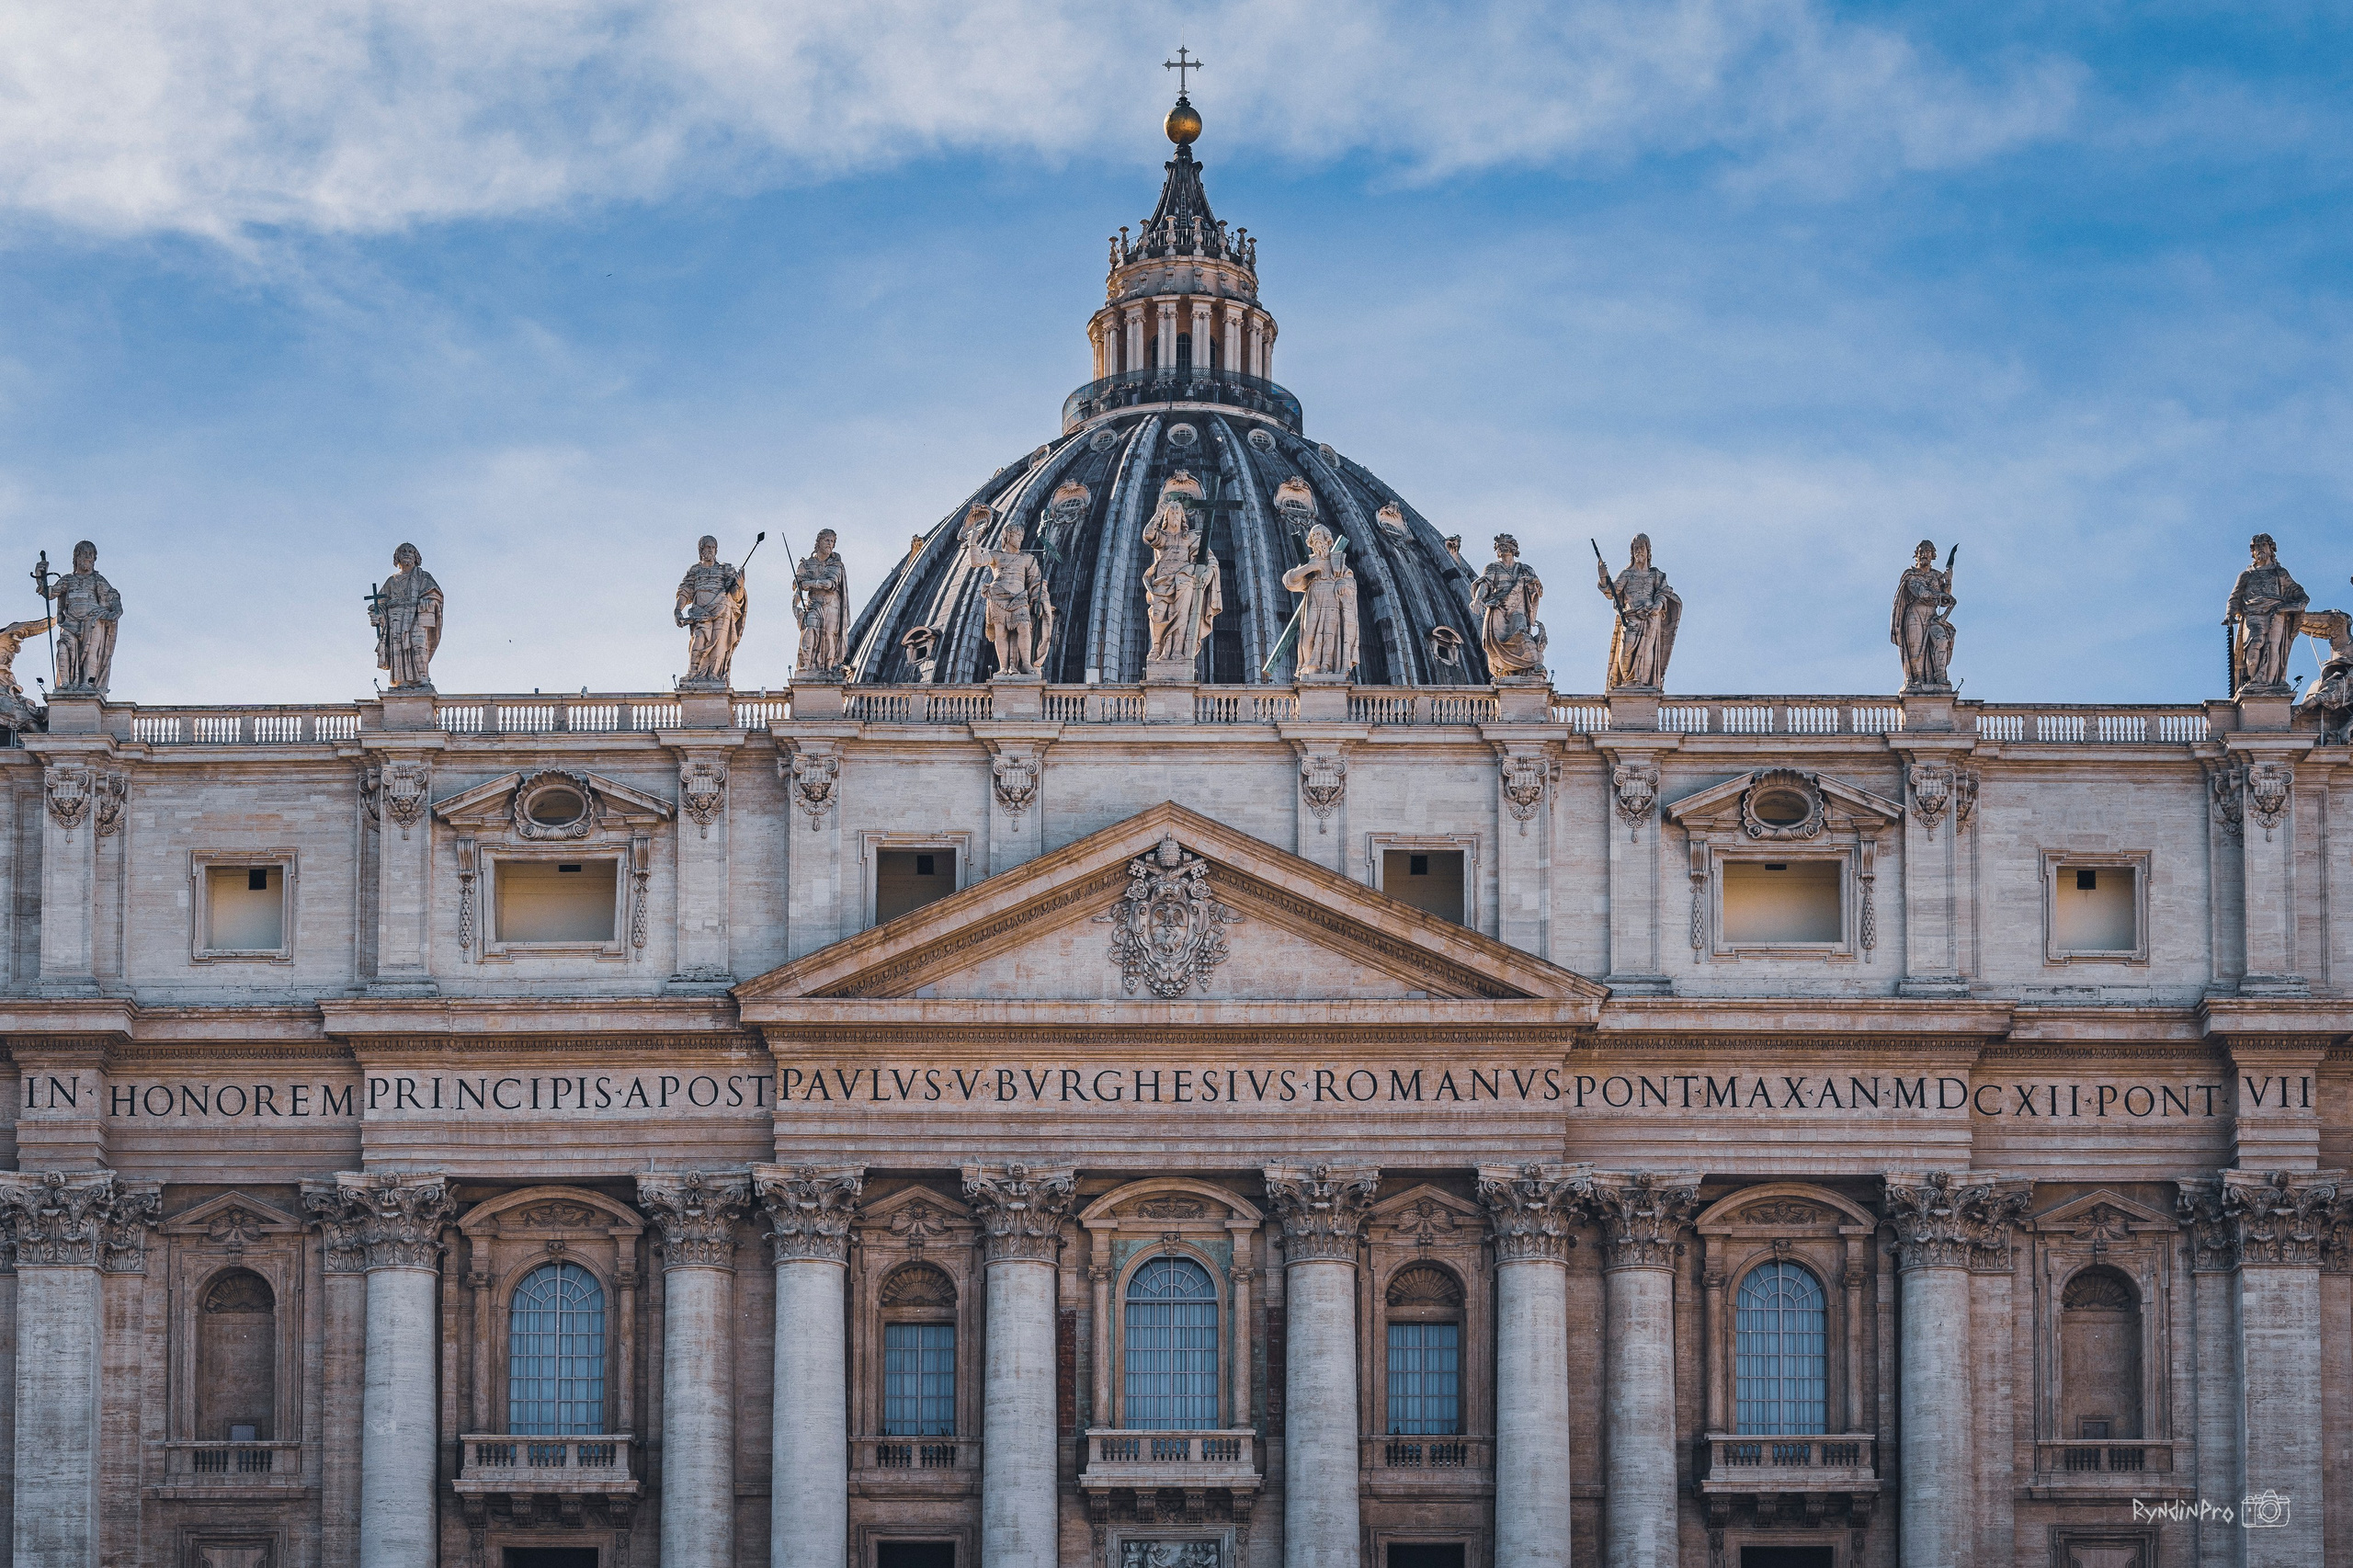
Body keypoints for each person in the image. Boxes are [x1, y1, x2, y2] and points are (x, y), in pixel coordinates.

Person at [1142, 494, 1222, 664]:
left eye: (1178, 513)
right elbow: (1149, 535)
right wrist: (1158, 513)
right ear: (1166, 517)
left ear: (1183, 518)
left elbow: (1210, 560)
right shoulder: (1162, 538)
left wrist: (1207, 574)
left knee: (1182, 618)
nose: (1175, 516)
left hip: (1185, 582)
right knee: (1157, 615)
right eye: (1172, 513)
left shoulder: (1191, 538)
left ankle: (1177, 651)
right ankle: (1157, 647)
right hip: (1161, 582)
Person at [2226, 533, 2307, 694]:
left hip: (2277, 614)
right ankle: (2253, 680)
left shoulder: (2280, 574)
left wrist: (2293, 606)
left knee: (2273, 648)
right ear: (2253, 551)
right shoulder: (2247, 575)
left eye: (2263, 545)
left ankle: (2269, 683)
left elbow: (2301, 595)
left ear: (2271, 549)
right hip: (2253, 613)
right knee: (2254, 644)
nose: (2260, 549)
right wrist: (2230, 613)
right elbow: (2234, 597)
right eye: (2257, 547)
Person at [1594, 533, 1677, 689]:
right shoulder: (1627, 574)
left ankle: (1643, 684)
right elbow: (1611, 591)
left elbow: (1664, 592)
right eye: (1636, 548)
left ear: (1648, 550)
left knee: (1646, 651)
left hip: (1650, 616)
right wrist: (1603, 576)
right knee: (1626, 649)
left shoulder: (1656, 575)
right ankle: (1628, 683)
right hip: (1630, 616)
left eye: (1642, 548)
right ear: (1632, 552)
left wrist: (1658, 604)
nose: (1639, 551)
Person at [41, 540, 123, 695]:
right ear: (76, 558)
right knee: (63, 648)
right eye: (84, 554)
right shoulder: (68, 579)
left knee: (91, 653)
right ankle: (65, 684)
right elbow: (49, 593)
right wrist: (41, 576)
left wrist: (116, 611)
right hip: (70, 621)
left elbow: (113, 596)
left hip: (93, 619)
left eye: (90, 555)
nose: (88, 558)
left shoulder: (98, 580)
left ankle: (87, 684)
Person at [972, 522, 1052, 676]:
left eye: (1021, 536)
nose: (1020, 539)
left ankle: (1027, 664)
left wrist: (1038, 600)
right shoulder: (996, 555)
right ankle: (1003, 667)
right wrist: (973, 542)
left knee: (1024, 628)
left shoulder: (1028, 559)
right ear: (1007, 536)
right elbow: (976, 562)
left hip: (1020, 597)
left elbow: (1036, 581)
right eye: (1016, 535)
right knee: (1000, 632)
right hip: (997, 597)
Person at [1281, 524, 1358, 677]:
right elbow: (1290, 580)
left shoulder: (1338, 561)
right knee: (1308, 633)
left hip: (1332, 598)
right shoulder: (1309, 562)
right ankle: (1310, 666)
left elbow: (1350, 579)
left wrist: (1342, 582)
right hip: (1314, 597)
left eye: (1318, 534)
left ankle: (1326, 667)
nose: (1316, 538)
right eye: (1313, 535)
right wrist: (1309, 568)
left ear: (1327, 539)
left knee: (1330, 634)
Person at [676, 534, 753, 687]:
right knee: (699, 640)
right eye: (707, 547)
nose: (710, 550)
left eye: (713, 548)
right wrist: (678, 610)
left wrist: (739, 585)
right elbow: (685, 591)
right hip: (700, 613)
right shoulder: (695, 570)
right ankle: (693, 674)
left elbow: (735, 596)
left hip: (722, 612)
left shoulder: (725, 569)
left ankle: (714, 676)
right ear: (701, 550)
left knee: (719, 646)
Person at [1472, 533, 1550, 680]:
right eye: (1499, 546)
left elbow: (1538, 591)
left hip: (1518, 608)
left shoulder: (1525, 569)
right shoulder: (1492, 567)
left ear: (1513, 549)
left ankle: (1529, 664)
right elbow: (1485, 584)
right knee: (1496, 641)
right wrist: (1478, 597)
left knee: (1520, 634)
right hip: (1498, 608)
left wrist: (1533, 584)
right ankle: (1506, 669)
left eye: (1505, 546)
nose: (1501, 549)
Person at [370, 542, 441, 690]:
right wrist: (377, 613)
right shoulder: (392, 580)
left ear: (416, 557)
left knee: (418, 644)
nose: (407, 553)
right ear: (397, 557)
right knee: (398, 649)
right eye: (403, 551)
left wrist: (428, 601)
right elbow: (381, 602)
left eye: (410, 551)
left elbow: (436, 595)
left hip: (416, 616)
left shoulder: (424, 577)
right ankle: (400, 681)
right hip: (396, 618)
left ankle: (422, 679)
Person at [1891, 540, 1957, 691]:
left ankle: (1941, 677)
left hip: (1933, 616)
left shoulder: (1937, 576)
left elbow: (1945, 601)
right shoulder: (1911, 574)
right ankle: (1917, 681)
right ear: (1917, 555)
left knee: (1941, 640)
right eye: (1921, 552)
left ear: (1933, 555)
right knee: (1916, 650)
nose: (1924, 554)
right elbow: (1921, 592)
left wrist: (1948, 582)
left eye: (1927, 551)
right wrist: (1939, 594)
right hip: (1915, 613)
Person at [791, 530, 848, 678]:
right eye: (827, 540)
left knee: (830, 636)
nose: (830, 544)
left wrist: (808, 583)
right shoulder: (806, 563)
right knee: (810, 629)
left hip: (832, 606)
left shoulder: (836, 564)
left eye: (832, 541)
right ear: (819, 542)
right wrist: (800, 585)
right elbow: (797, 585)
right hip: (814, 605)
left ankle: (828, 669)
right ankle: (807, 665)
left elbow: (830, 583)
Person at [0, 616, 51, 733]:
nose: (8, 658)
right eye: (4, 654)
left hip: (8, 694)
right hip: (3, 699)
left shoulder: (6, 673)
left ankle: (44, 732)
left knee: (28, 705)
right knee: (18, 713)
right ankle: (40, 737)